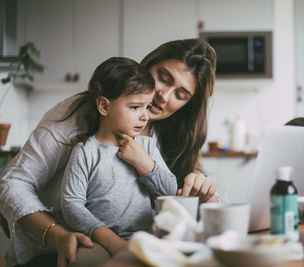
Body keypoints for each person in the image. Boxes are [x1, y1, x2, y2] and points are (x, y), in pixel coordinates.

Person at [0, 38, 217, 267]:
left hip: (138, 244)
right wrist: (56, 234)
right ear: (148, 65)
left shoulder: (169, 138)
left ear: (187, 105)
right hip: (61, 246)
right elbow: (13, 183)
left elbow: (178, 199)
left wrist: (207, 194)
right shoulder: (81, 122)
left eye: (180, 94)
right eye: (163, 77)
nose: (164, 95)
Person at [58, 57, 177, 267]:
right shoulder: (86, 151)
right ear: (104, 106)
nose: (144, 117)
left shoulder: (147, 147)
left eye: (147, 107)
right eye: (135, 107)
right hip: (101, 241)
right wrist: (111, 242)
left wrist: (145, 164)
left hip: (147, 236)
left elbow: (170, 192)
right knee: (81, 261)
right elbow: (71, 205)